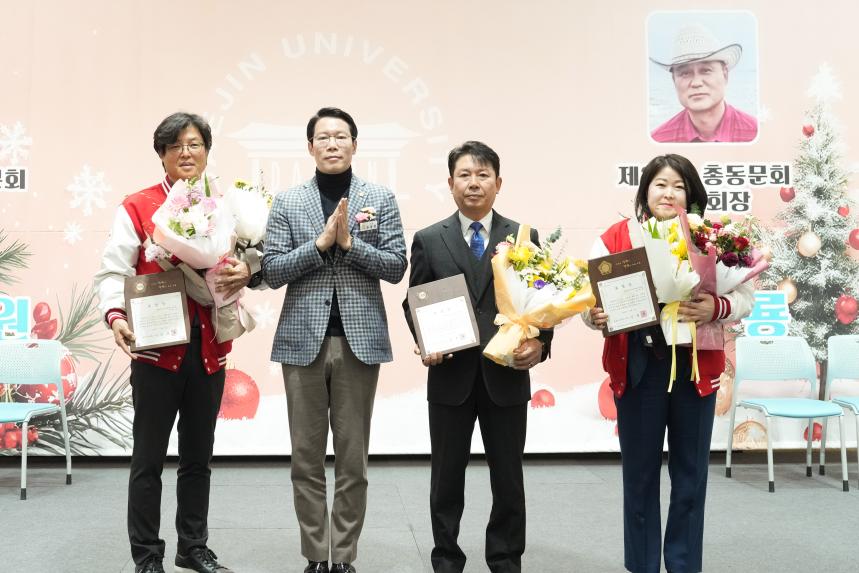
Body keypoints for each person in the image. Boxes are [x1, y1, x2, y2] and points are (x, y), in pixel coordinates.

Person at [95, 112, 254, 573]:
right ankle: (146, 554)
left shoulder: (228, 206)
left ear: (207, 150)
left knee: (198, 458)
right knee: (147, 459)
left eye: (195, 144)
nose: (186, 153)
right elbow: (113, 271)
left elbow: (246, 266)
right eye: (175, 146)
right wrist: (116, 317)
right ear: (161, 154)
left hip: (209, 351)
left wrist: (248, 270)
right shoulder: (138, 206)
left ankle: (193, 546)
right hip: (155, 351)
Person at [584, 154, 754, 573]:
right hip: (639, 367)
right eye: (660, 184)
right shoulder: (615, 237)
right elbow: (589, 305)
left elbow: (745, 300)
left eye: (678, 186)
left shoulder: (715, 241)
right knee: (639, 478)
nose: (668, 193)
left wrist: (715, 306)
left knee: (690, 477)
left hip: (694, 372)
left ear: (691, 195)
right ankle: (641, 566)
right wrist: (596, 316)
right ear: (645, 191)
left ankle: (682, 565)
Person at [262, 107, 407, 573]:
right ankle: (315, 555)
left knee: (352, 460)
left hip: (359, 343)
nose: (331, 144)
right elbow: (272, 270)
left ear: (354, 145)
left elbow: (395, 266)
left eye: (340, 136)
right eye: (322, 137)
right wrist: (321, 245)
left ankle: (343, 555)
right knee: (305, 459)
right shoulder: (287, 202)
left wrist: (350, 244)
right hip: (302, 344)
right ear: (310, 148)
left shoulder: (379, 198)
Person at [403, 141, 552, 573]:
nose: (474, 183)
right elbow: (415, 301)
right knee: (445, 480)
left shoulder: (523, 236)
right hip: (450, 376)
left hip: (506, 375)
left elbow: (543, 298)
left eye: (483, 175)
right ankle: (446, 559)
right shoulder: (429, 239)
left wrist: (540, 344)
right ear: (450, 183)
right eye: (465, 175)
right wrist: (425, 340)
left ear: (499, 183)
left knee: (508, 479)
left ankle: (505, 559)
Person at [650, 23, 758, 143]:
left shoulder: (757, 135)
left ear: (725, 75)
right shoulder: (658, 142)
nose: (696, 83)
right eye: (685, 73)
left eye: (706, 70)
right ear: (674, 80)